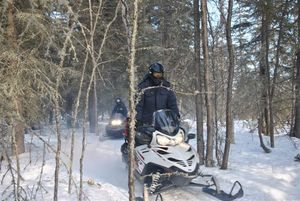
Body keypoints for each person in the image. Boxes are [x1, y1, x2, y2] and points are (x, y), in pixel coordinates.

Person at [135, 62, 180, 127]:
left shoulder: (166, 87)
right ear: (151, 73)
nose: (158, 76)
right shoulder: (143, 87)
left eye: (160, 74)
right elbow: (138, 105)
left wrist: (176, 117)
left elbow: (172, 104)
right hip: (146, 124)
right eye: (156, 74)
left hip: (164, 123)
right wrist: (137, 120)